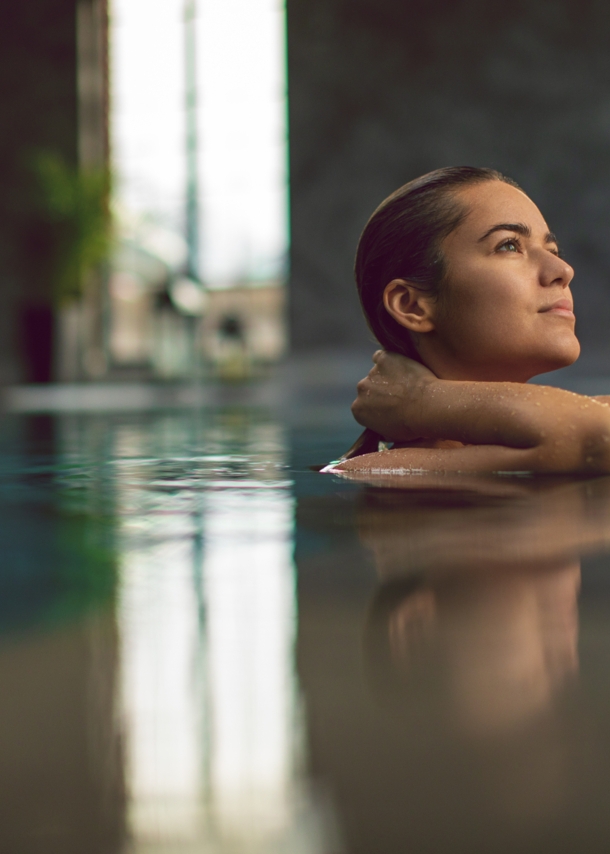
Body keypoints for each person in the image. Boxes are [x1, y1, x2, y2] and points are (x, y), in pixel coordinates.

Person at [327, 167, 610, 475]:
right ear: (412, 306)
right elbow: (596, 440)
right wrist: (422, 402)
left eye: (552, 249)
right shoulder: (384, 474)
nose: (563, 269)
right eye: (509, 245)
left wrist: (421, 401)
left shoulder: (589, 417)